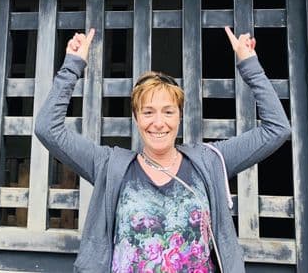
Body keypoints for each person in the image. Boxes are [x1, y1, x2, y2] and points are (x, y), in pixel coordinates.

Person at [34, 27, 291, 272]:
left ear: (180, 116)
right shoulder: (109, 165)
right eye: (148, 112)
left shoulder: (209, 161)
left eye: (168, 112)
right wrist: (72, 66)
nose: (159, 122)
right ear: (136, 118)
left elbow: (277, 129)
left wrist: (250, 66)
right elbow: (48, 128)